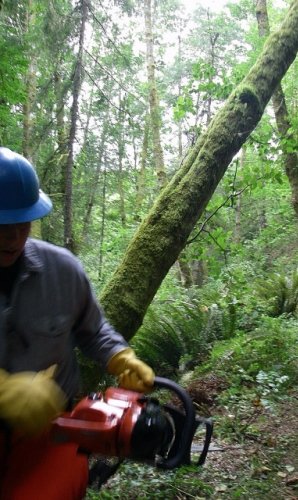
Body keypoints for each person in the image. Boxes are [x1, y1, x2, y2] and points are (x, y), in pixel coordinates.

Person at [0, 147, 155, 500]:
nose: (12, 237)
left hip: (54, 433)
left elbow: (94, 329)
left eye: (21, 222)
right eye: (1, 224)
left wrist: (121, 357)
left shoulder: (63, 270)